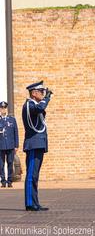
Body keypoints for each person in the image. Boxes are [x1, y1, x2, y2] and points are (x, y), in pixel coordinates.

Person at [22, 81, 53, 211]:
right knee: (31, 175)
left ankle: (35, 202)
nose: (43, 94)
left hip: (38, 142)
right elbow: (40, 109)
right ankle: (30, 203)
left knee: (35, 175)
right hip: (33, 143)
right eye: (41, 92)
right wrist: (47, 99)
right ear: (34, 93)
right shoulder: (29, 104)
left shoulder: (34, 104)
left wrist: (45, 98)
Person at [0, 101, 19, 188]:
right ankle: (3, 181)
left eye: (4, 108)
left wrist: (16, 145)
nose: (3, 109)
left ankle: (10, 181)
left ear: (6, 109)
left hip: (10, 145)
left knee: (10, 163)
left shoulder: (12, 119)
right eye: (2, 108)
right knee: (1, 164)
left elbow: (16, 133)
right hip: (1, 145)